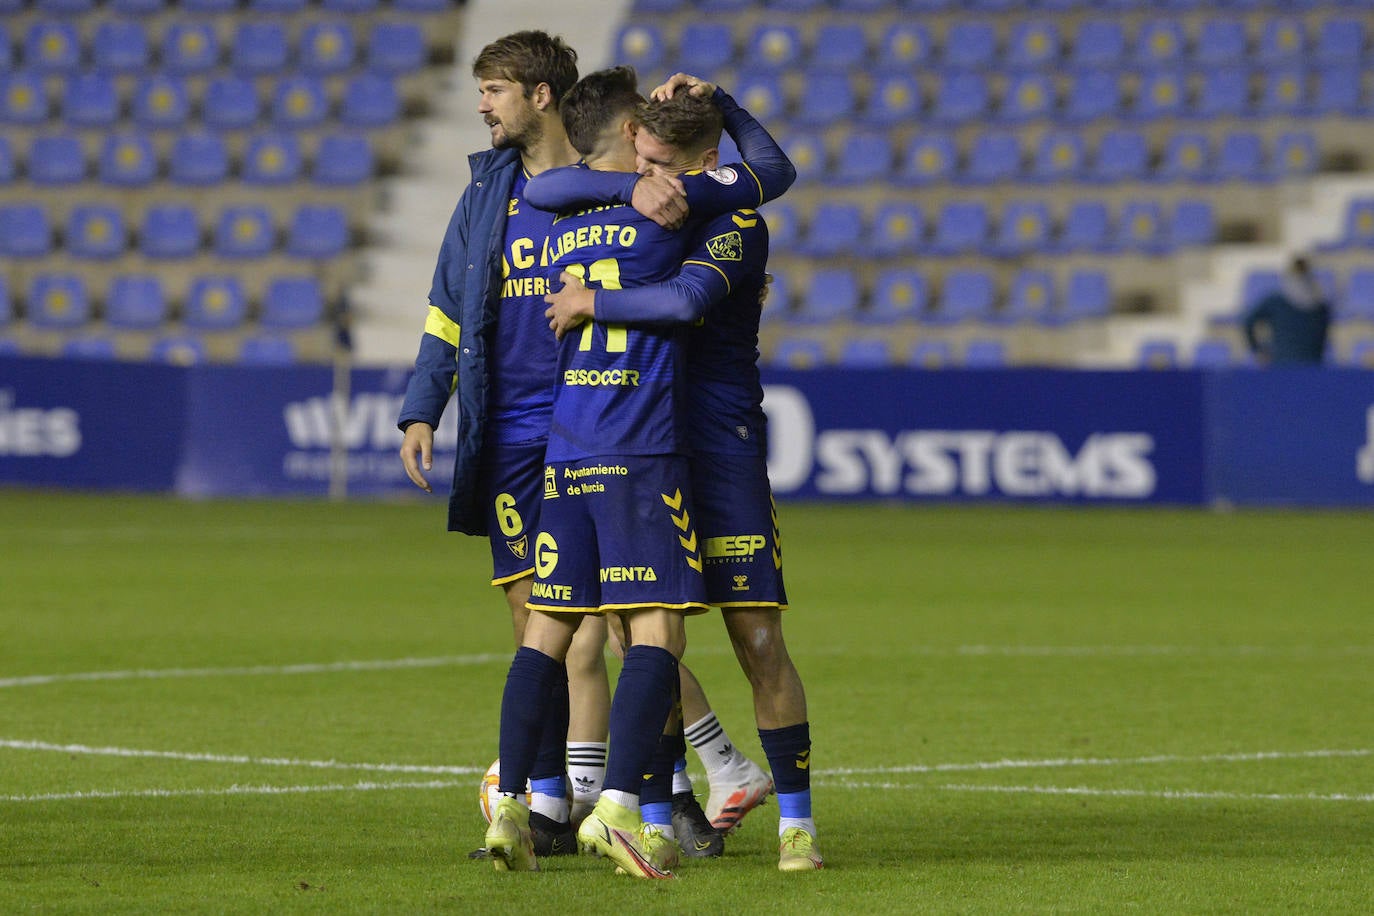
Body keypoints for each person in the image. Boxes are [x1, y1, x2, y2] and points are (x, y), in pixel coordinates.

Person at [484, 65, 795, 879]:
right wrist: (641, 198)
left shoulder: (566, 222)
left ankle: (515, 802)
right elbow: (695, 288)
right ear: (625, 142)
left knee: (550, 632)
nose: (651, 171)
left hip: (565, 449)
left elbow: (546, 192)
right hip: (641, 448)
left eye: (660, 159)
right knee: (653, 628)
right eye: (640, 154)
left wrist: (593, 288)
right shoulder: (681, 215)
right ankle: (626, 805)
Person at [394, 30, 609, 857]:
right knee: (531, 616)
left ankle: (629, 792)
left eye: (494, 89)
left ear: (542, 95)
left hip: (587, 426)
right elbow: (447, 307)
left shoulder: (602, 191)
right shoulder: (487, 193)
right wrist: (424, 408)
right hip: (509, 434)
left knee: (598, 622)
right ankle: (553, 799)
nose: (481, 104)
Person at [1242, 255, 1332, 366]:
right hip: (1310, 369)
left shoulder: (1276, 301)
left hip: (1283, 367)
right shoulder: (1321, 306)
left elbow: (1247, 321)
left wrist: (1258, 350)